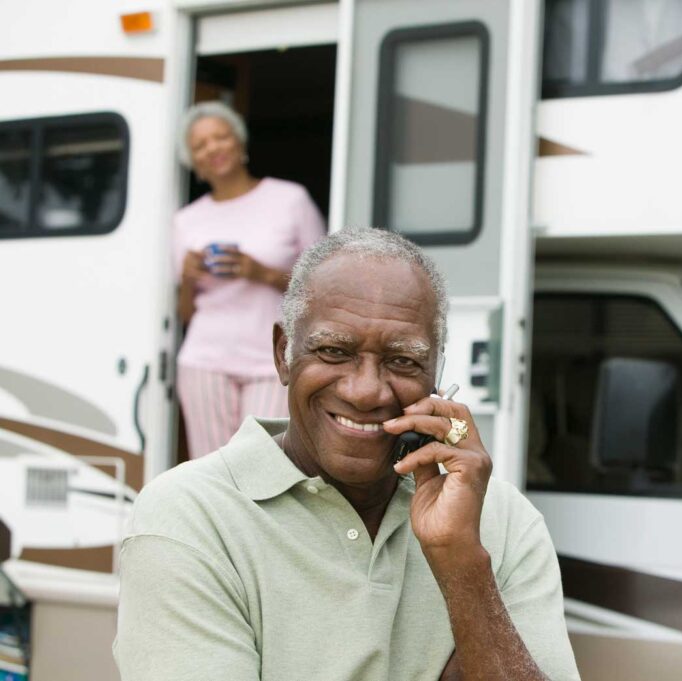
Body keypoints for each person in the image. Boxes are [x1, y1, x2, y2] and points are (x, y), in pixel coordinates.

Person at [114, 229, 581, 681]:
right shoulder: (189, 516)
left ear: (436, 372)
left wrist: (463, 566)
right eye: (334, 351)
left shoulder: (503, 519)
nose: (366, 392)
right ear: (283, 354)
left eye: (403, 360)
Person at [172, 101, 325, 458]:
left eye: (220, 137)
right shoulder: (186, 220)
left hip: (273, 359)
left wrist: (260, 273)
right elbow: (185, 313)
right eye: (200, 145)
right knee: (211, 471)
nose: (212, 148)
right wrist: (189, 279)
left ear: (240, 143)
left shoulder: (289, 199)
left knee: (268, 460)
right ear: (192, 161)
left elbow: (321, 288)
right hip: (204, 361)